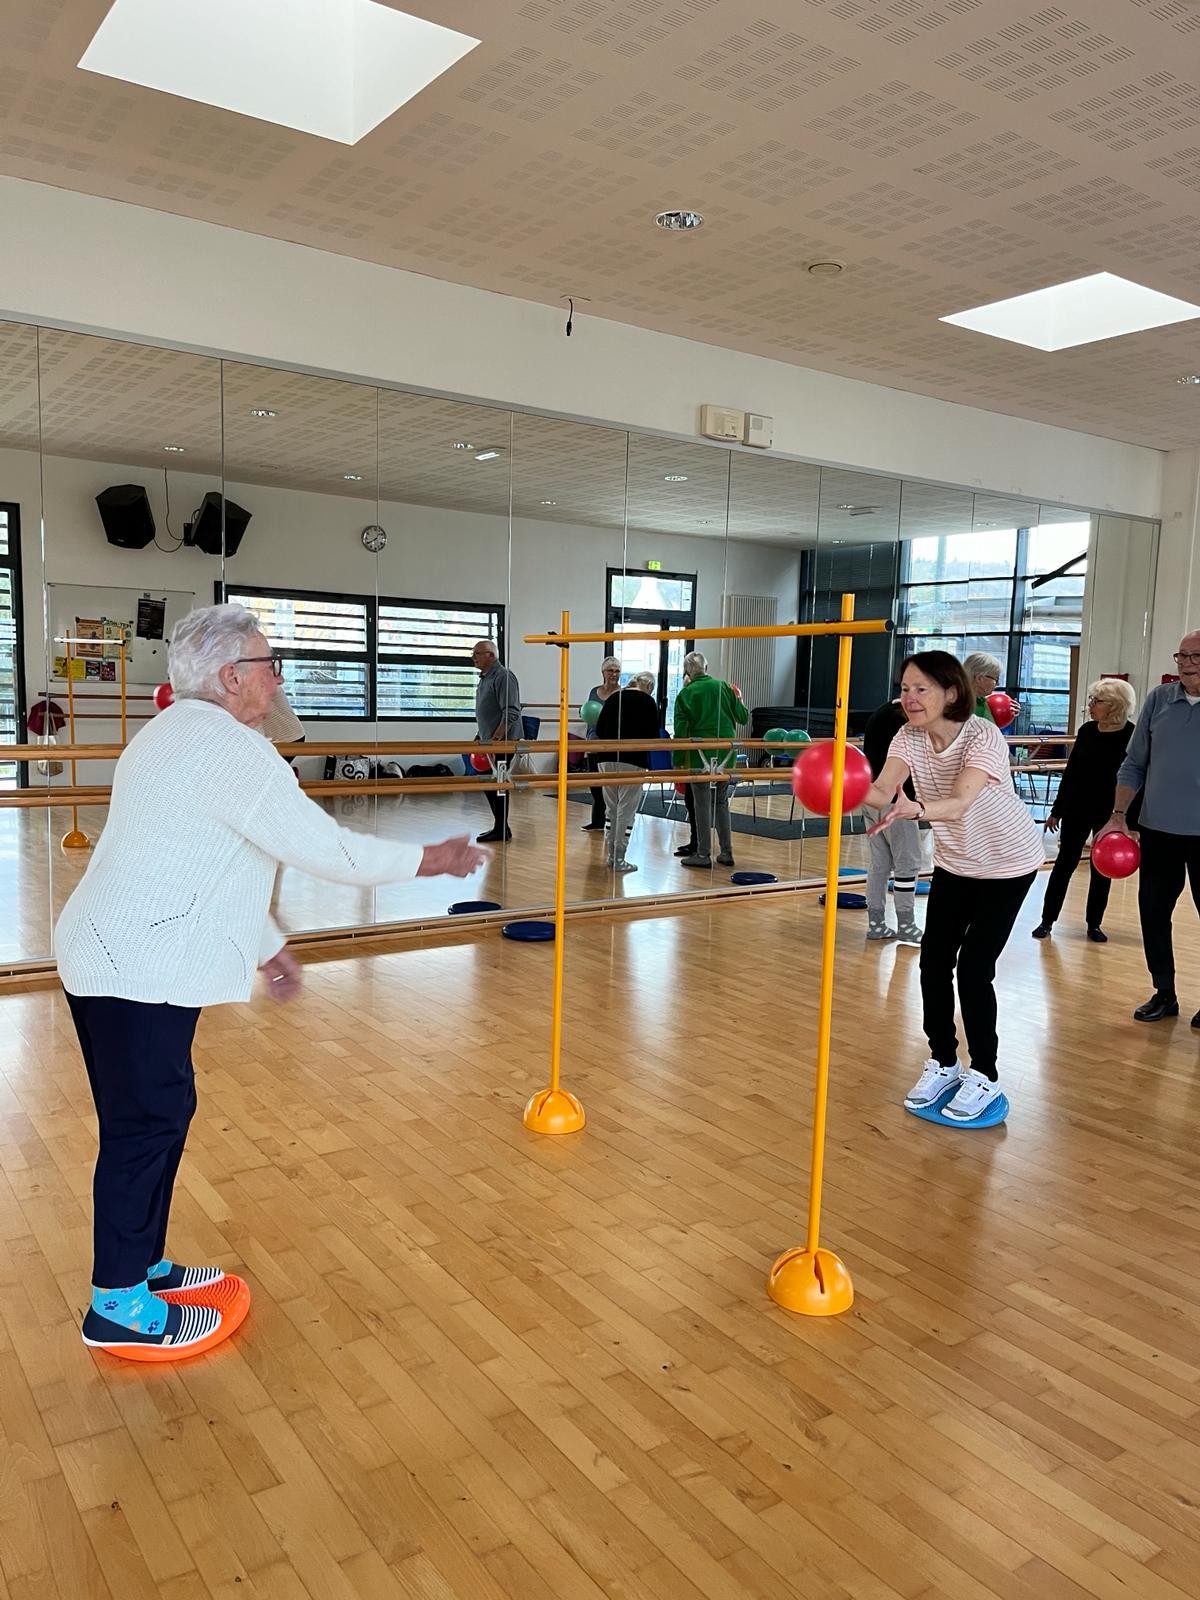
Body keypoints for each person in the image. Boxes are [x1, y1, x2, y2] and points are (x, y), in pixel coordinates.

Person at [55, 603, 489, 1358]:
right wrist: (430, 859)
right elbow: (328, 850)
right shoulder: (230, 750)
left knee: (161, 1109)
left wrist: (266, 943)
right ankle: (116, 1303)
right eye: (267, 663)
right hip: (134, 962)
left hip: (117, 952)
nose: (277, 676)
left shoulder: (168, 735)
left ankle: (144, 1265)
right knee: (145, 1123)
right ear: (231, 677)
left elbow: (200, 861)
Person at [863, 651, 1045, 1121]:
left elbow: (962, 801)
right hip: (957, 862)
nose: (910, 698)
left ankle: (984, 1073)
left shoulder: (982, 735)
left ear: (952, 692)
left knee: (974, 968)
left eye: (921, 689)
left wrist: (915, 809)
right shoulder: (908, 736)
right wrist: (835, 789)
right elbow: (883, 790)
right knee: (933, 962)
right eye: (905, 688)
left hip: (1008, 863)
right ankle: (943, 1060)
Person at [1099, 630, 1200, 1025]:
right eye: (1182, 656)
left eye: (1196, 656)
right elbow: (1134, 763)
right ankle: (1165, 992)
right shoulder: (1159, 700)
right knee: (1153, 913)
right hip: (1158, 830)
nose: (1187, 663)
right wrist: (1118, 815)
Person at [1032, 678, 1136, 944]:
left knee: (1101, 870)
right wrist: (1057, 809)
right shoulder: (1088, 731)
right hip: (1078, 807)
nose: (1090, 706)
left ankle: (1094, 924)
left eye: (1096, 701)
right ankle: (1047, 920)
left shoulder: (1132, 735)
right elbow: (1073, 772)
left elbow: (1136, 780)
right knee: (1064, 865)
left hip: (1109, 812)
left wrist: (1130, 821)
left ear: (1114, 705)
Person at [672, 653, 749, 869]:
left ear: (687, 672)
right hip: (727, 751)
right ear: (707, 667)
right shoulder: (724, 687)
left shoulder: (686, 693)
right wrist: (739, 700)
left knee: (702, 803)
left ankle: (703, 853)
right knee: (721, 802)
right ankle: (726, 852)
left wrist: (678, 760)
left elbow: (680, 731)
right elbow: (743, 717)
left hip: (699, 752)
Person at [861, 693, 922, 944]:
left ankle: (876, 924)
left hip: (871, 797)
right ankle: (906, 925)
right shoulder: (906, 723)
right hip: (898, 802)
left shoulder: (880, 712)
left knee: (879, 864)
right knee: (907, 864)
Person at [594, 670, 661, 873]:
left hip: (605, 758)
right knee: (626, 810)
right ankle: (619, 857)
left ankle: (610, 854)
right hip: (632, 761)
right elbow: (652, 736)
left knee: (611, 808)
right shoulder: (648, 703)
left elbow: (598, 729)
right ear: (648, 687)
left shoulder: (615, 697)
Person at [472, 639, 523, 843]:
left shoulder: (503, 676)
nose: (473, 657)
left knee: (498, 783)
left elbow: (511, 711)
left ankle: (501, 828)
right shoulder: (485, 678)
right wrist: (480, 735)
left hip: (503, 742)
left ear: (491, 655)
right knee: (487, 781)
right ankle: (501, 826)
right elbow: (488, 712)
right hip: (489, 740)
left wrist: (496, 739)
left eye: (477, 653)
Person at [583, 656, 623, 831]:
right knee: (594, 782)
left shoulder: (622, 693)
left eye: (617, 671)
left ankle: (610, 820)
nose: (614, 674)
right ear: (603, 673)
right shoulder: (594, 691)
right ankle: (597, 820)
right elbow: (588, 713)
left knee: (609, 785)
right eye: (610, 671)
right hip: (592, 742)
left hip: (611, 743)